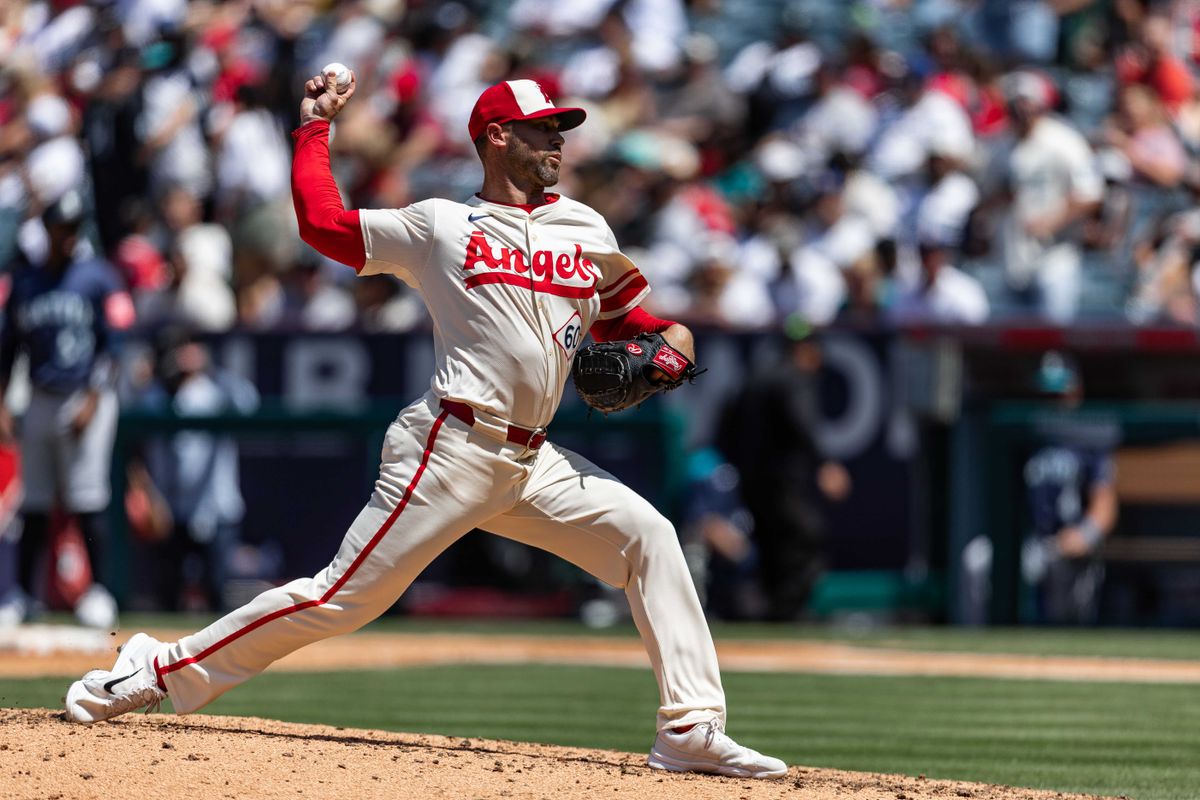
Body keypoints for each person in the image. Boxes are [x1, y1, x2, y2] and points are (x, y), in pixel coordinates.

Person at [63, 71, 788, 779]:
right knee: (339, 599)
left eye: (562, 131)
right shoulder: (442, 224)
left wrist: (675, 345)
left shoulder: (585, 227)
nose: (558, 143)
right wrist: (315, 130)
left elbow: (640, 325)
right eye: (544, 129)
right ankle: (158, 666)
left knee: (650, 537)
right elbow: (325, 225)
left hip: (534, 463)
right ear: (497, 136)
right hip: (451, 447)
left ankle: (691, 727)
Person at [0, 191, 134, 629]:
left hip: (84, 394)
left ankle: (97, 592)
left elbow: (114, 346)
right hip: (39, 393)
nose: (67, 237)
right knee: (34, 499)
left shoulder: (98, 277)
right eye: (62, 228)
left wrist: (94, 398)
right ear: (49, 230)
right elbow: (7, 348)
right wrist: (2, 399)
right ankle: (20, 595)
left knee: (87, 495)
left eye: (74, 229)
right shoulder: (25, 280)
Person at [715, 319, 851, 621]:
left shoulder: (755, 378)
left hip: (751, 480)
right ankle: (787, 611)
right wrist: (825, 463)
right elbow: (801, 423)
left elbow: (725, 427)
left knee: (770, 544)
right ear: (807, 350)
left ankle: (772, 610)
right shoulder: (793, 379)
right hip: (783, 481)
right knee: (807, 538)